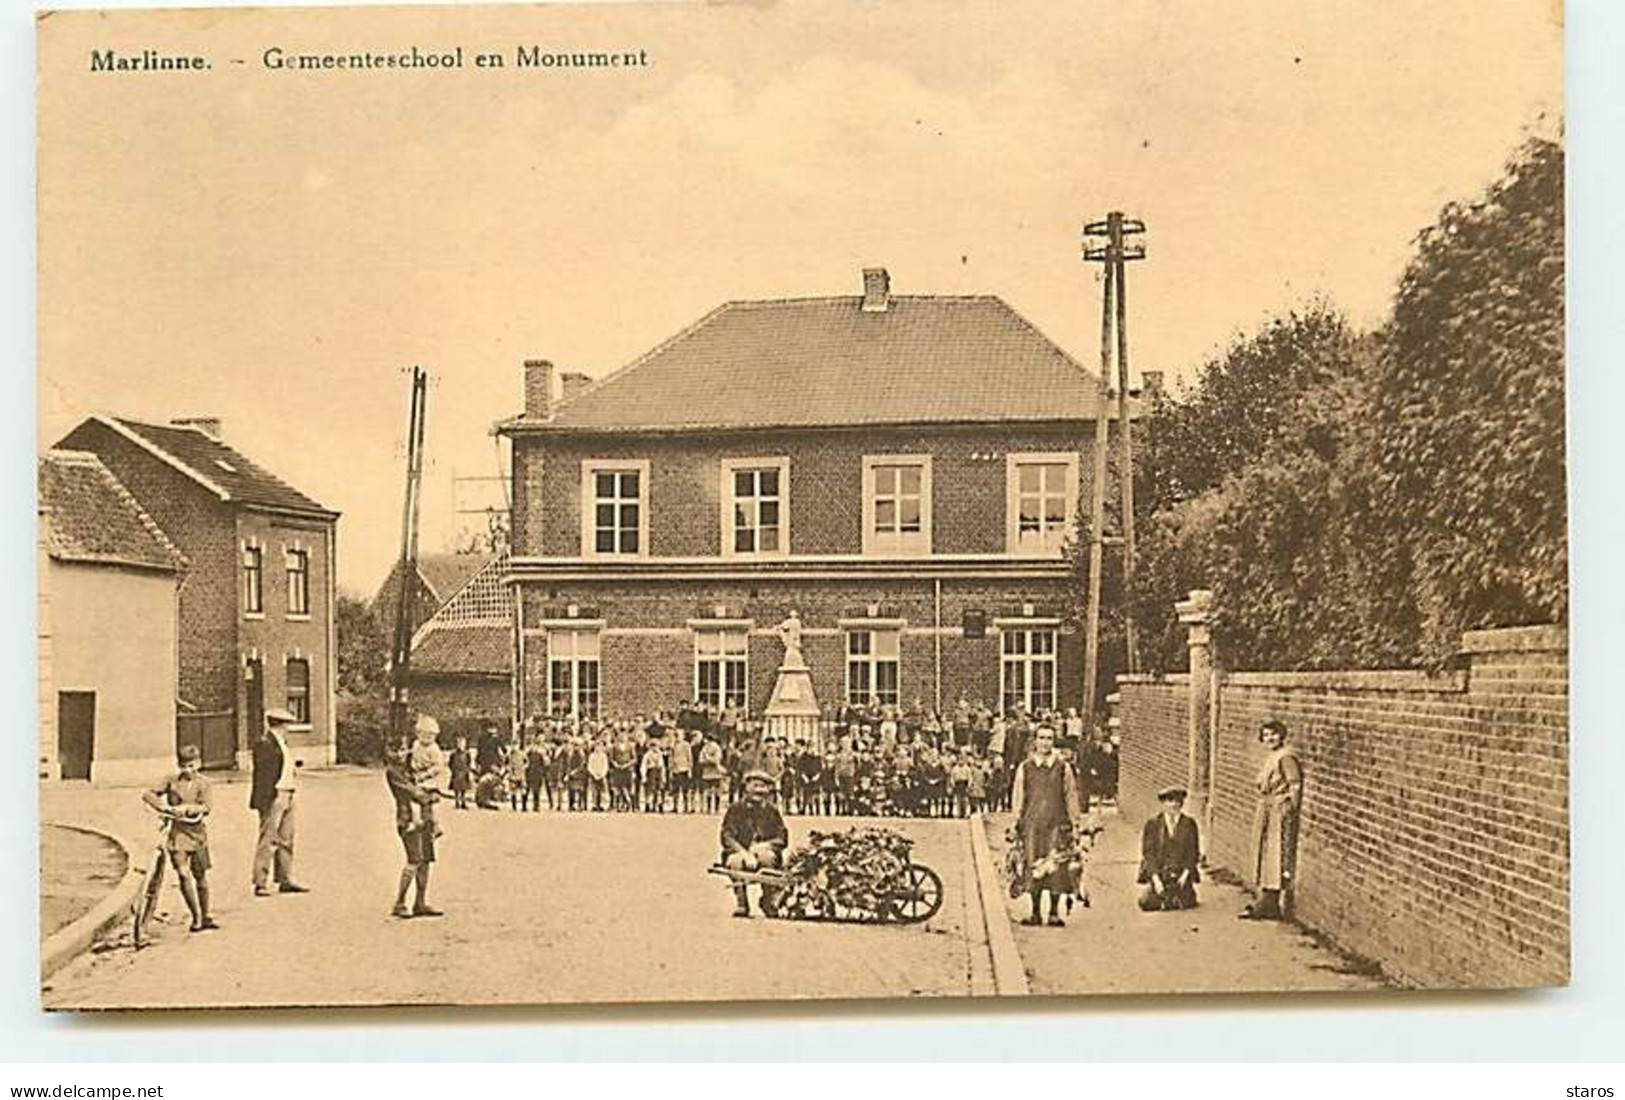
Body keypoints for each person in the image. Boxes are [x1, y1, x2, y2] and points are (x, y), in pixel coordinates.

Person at [1009, 726, 1083, 926]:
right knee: (1033, 868)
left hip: (1057, 826)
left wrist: (1075, 824)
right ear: (1035, 741)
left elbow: (1071, 796)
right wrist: (1015, 822)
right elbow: (1018, 797)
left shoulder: (1062, 768)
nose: (1045, 742)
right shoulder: (1025, 767)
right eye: (1042, 738)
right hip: (1032, 826)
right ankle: (1035, 912)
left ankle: (1053, 912)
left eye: (1049, 738)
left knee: (1056, 869)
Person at [142, 744, 218, 932]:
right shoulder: (172, 781)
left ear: (198, 764)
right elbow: (148, 794)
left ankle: (205, 914)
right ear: (179, 765)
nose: (188, 770)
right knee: (183, 874)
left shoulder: (204, 783)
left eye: (191, 766)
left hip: (197, 834)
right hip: (177, 833)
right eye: (184, 766)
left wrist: (189, 809)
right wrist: (165, 808)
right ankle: (196, 917)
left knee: (200, 876)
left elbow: (206, 807)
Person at [1242, 718, 1305, 920]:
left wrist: (1289, 810)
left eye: (1274, 734)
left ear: (1282, 735)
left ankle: (1271, 901)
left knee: (1276, 854)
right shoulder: (1272, 756)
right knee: (1265, 852)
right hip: (1267, 807)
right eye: (1266, 735)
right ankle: (1267, 900)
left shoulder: (1286, 757)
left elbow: (1295, 785)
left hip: (1279, 809)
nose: (1270, 738)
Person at [250, 708, 308, 896]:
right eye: (285, 724)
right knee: (268, 838)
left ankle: (285, 878)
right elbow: (264, 775)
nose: (286, 728)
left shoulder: (281, 743)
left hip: (288, 791)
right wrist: (267, 799)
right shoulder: (265, 744)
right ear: (280, 724)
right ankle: (261, 882)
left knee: (286, 838)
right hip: (275, 794)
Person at [384, 733, 443, 919]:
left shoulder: (409, 767)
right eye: (396, 750)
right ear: (389, 752)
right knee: (414, 859)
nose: (401, 753)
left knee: (426, 860)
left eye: (403, 749)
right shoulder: (393, 772)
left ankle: (420, 902)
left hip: (423, 817)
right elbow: (410, 792)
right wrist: (428, 797)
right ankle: (399, 903)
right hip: (408, 819)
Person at [718, 769, 789, 918]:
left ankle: (768, 900)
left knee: (767, 858)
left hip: (763, 852)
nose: (759, 791)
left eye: (763, 787)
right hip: (740, 851)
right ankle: (742, 903)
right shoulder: (735, 809)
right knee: (735, 862)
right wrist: (743, 852)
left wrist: (765, 846)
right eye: (755, 786)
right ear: (746, 788)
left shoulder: (772, 811)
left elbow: (782, 838)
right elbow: (727, 836)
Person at [1138, 785, 1201, 911]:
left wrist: (1185, 876)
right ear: (1163, 803)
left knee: (1187, 902)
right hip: (1161, 874)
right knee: (1146, 903)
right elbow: (1148, 854)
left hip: (1180, 874)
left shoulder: (1189, 824)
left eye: (1178, 802)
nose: (1174, 805)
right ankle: (1165, 898)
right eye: (1170, 801)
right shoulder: (1153, 824)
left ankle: (1177, 897)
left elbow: (1193, 853)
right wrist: (1156, 881)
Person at [408, 714, 447, 837]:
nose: (427, 738)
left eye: (431, 736)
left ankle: (434, 825)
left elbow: (438, 766)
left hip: (430, 780)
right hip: (417, 775)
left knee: (427, 803)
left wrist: (426, 774)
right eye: (424, 735)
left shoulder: (434, 749)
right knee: (414, 800)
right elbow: (412, 755)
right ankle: (421, 822)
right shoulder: (416, 744)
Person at [448, 735, 473, 810]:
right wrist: (453, 770)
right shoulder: (453, 754)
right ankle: (457, 802)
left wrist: (466, 770)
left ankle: (463, 802)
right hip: (456, 773)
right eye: (459, 743)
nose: (461, 745)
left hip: (464, 772)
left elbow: (469, 762)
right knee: (456, 788)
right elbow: (450, 763)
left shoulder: (467, 754)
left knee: (464, 789)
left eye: (462, 743)